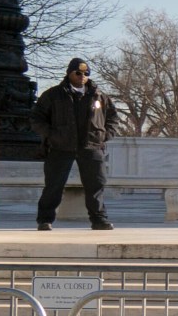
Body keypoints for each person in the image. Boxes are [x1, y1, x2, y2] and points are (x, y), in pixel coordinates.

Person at [31, 57, 120, 231]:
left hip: (92, 146)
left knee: (96, 185)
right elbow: (36, 118)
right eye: (78, 73)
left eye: (86, 73)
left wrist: (105, 135)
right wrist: (52, 135)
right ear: (69, 73)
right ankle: (45, 220)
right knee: (54, 185)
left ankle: (99, 220)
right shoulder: (53, 95)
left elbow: (113, 118)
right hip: (60, 147)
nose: (82, 76)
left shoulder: (99, 95)